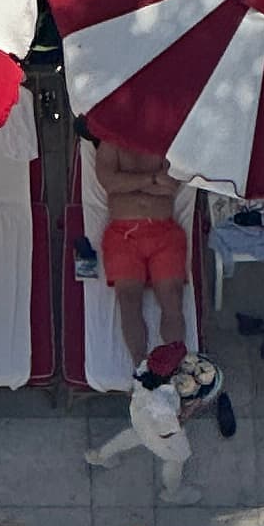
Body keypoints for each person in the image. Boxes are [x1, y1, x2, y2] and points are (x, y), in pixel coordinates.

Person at [92, 135, 186, 367]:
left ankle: (173, 366)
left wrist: (128, 182)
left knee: (172, 299)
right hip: (123, 236)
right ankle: (141, 367)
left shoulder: (167, 138)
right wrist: (153, 179)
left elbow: (171, 186)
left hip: (163, 231)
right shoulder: (111, 141)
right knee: (128, 299)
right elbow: (109, 183)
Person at [88, 340, 193, 486]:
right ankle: (173, 492)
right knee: (177, 458)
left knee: (134, 435)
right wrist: (191, 409)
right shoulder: (163, 406)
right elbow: (167, 433)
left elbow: (131, 392)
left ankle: (100, 456)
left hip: (140, 415)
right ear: (173, 372)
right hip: (160, 433)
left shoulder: (145, 368)